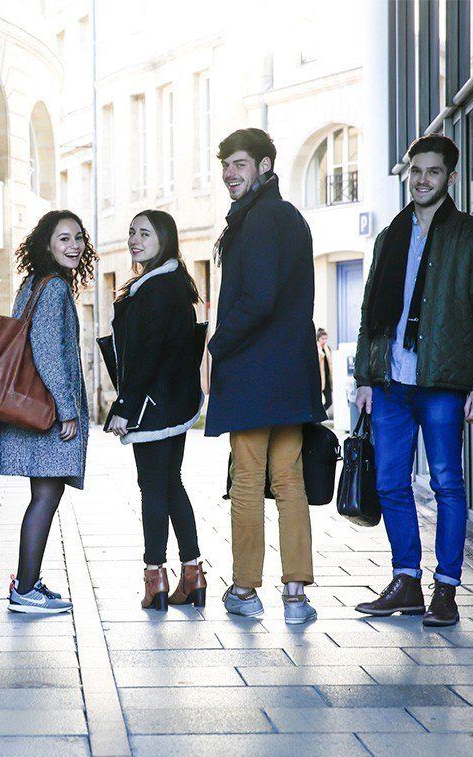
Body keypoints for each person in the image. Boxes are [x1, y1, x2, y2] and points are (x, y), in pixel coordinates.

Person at [353, 134, 473, 627]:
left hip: (442, 383)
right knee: (390, 481)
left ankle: (447, 589)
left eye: (433, 171)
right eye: (416, 171)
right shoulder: (389, 237)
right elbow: (368, 312)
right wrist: (364, 376)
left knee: (446, 483)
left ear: (450, 177)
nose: (422, 179)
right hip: (390, 384)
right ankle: (406, 582)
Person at [204, 128, 325, 623]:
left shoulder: (259, 219)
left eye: (239, 164)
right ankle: (295, 594)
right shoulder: (289, 217)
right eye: (226, 166)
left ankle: (246, 590)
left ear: (265, 165)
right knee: (289, 480)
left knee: (249, 480)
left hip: (255, 371)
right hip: (290, 372)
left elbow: (258, 298)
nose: (231, 174)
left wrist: (216, 344)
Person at [0, 210, 96, 614]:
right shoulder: (53, 289)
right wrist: (68, 410)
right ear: (47, 244)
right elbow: (48, 352)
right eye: (64, 239)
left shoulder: (34, 283)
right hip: (48, 410)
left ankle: (27, 581)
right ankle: (25, 588)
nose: (74, 246)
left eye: (79, 238)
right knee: (46, 496)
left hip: (36, 405)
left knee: (44, 495)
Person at [105, 210, 206, 611]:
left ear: (165, 237)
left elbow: (143, 356)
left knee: (152, 488)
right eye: (132, 232)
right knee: (171, 483)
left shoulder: (153, 289)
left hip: (151, 405)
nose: (135, 239)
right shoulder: (175, 283)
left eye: (145, 233)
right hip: (175, 402)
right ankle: (193, 574)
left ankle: (154, 579)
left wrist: (125, 406)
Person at [316, 328, 333, 412]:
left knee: (329, 401)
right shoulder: (315, 349)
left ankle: (320, 415)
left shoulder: (327, 349)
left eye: (325, 338)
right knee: (317, 401)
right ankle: (317, 419)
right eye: (322, 339)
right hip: (318, 379)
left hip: (327, 379)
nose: (324, 341)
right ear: (318, 338)